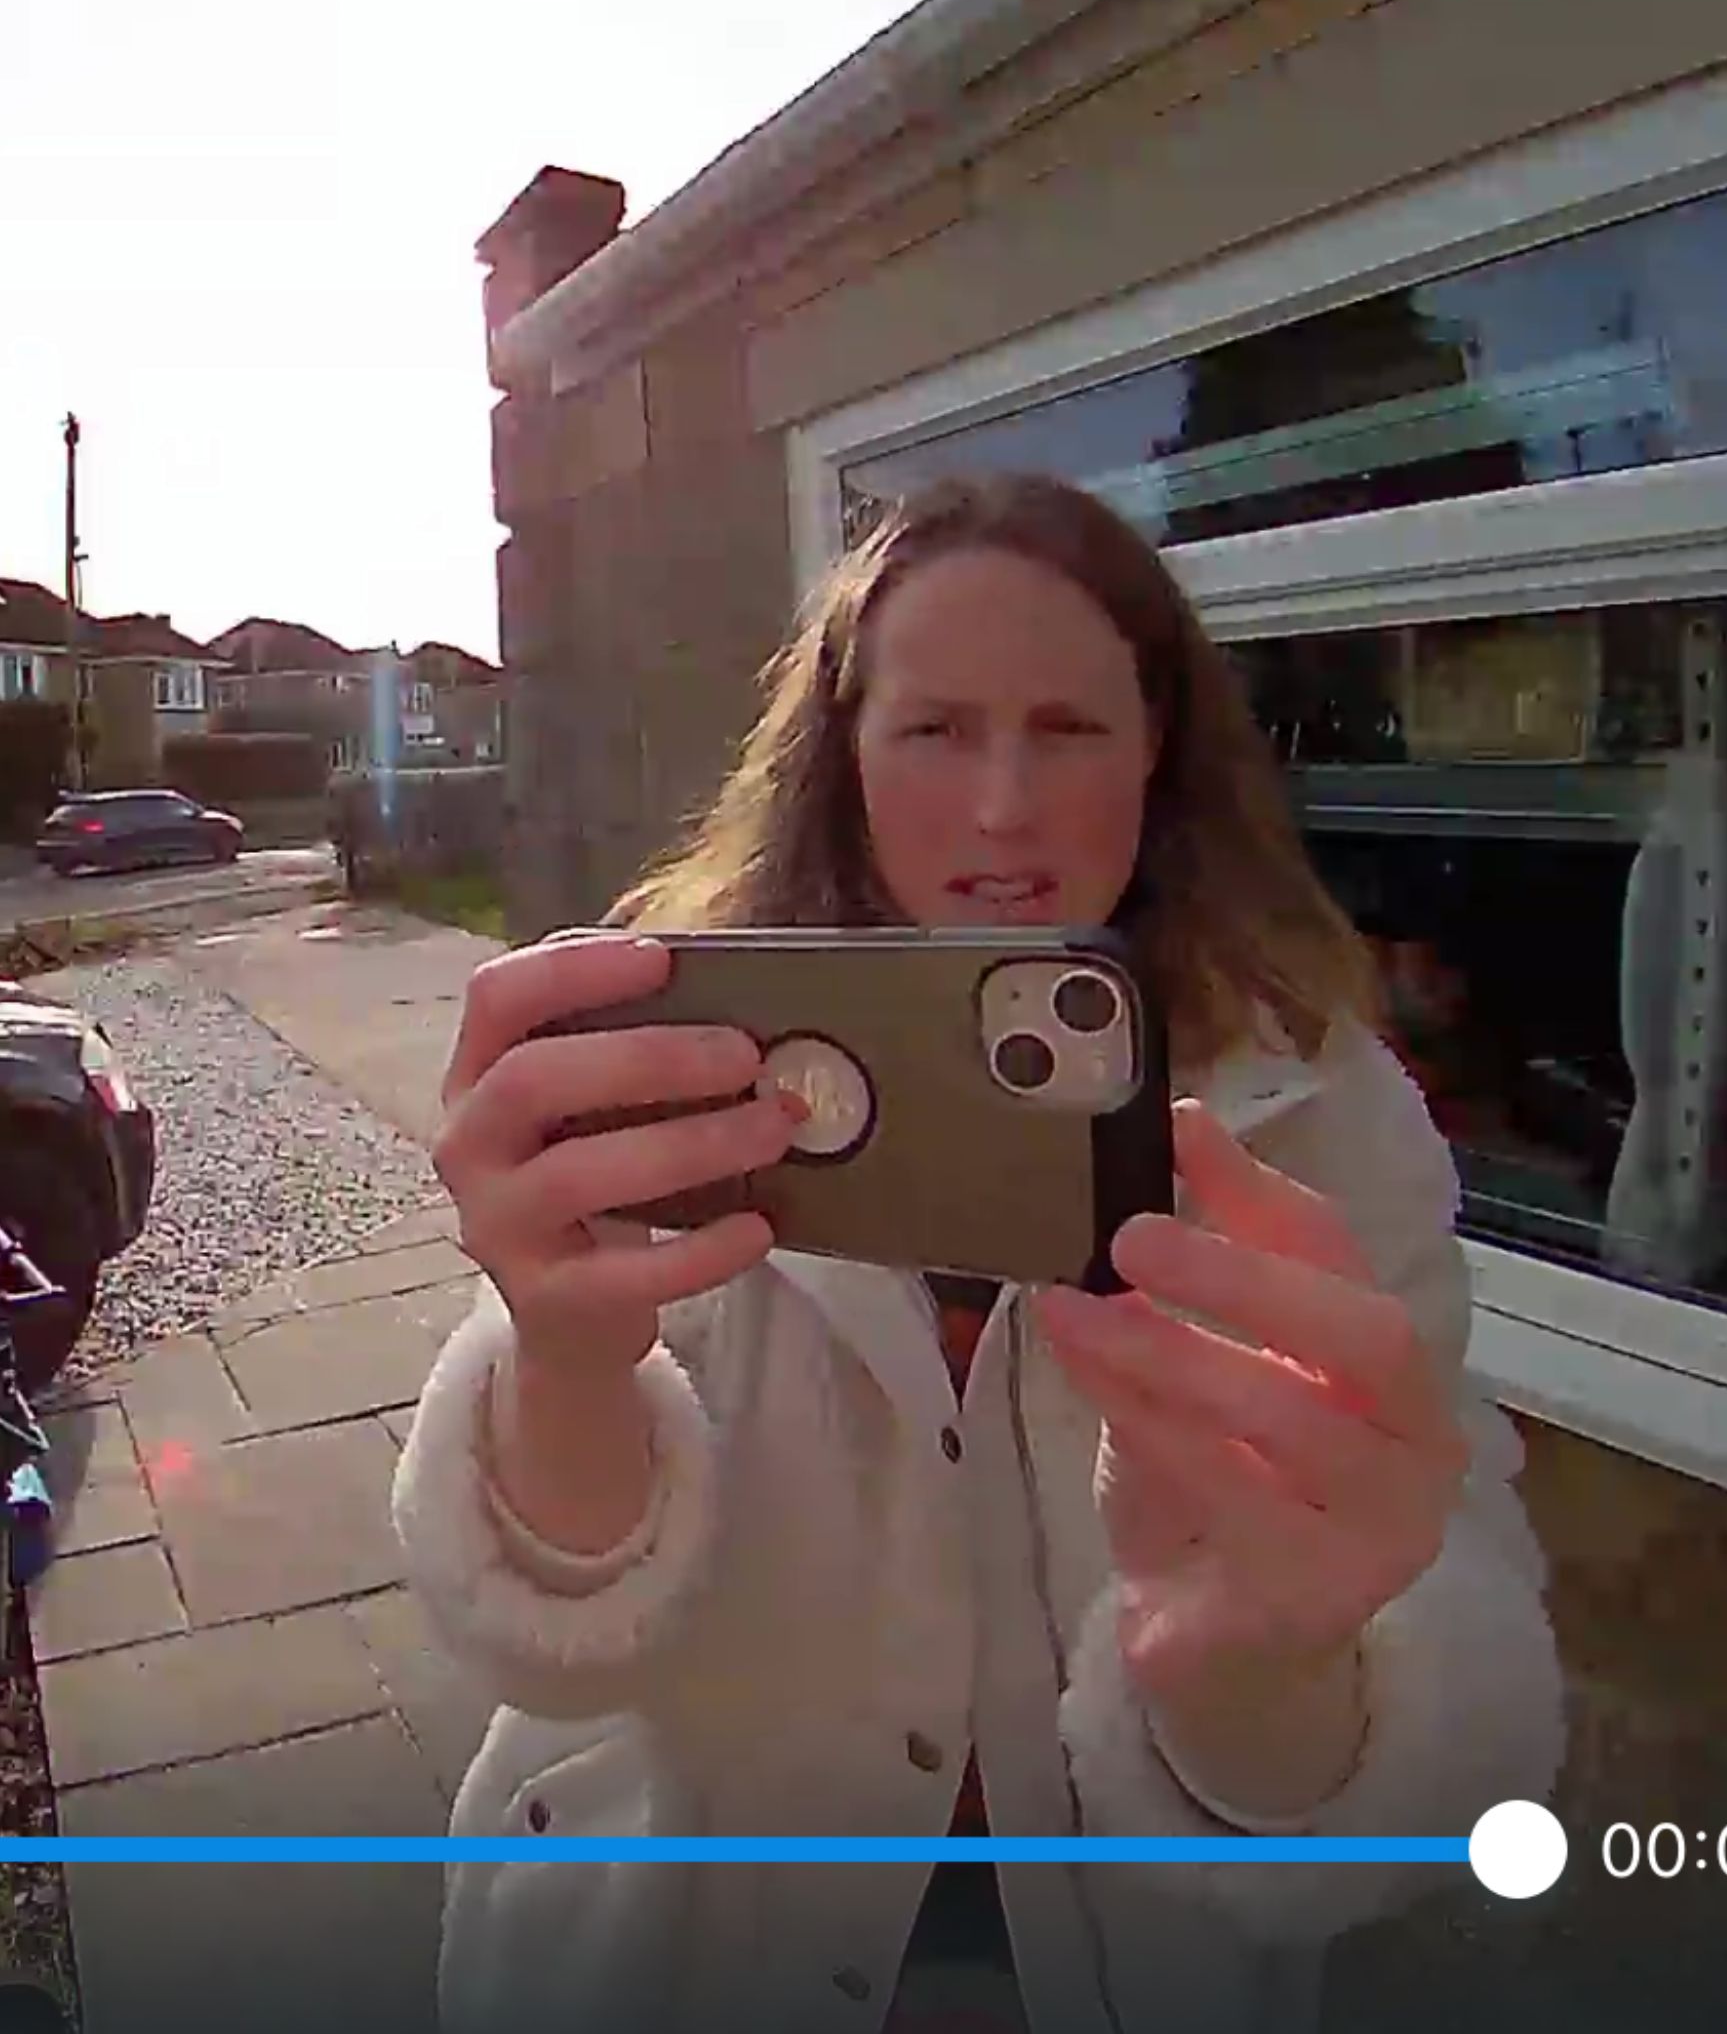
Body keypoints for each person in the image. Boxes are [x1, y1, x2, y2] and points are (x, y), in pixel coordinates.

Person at [392, 473, 1565, 2034]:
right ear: (846, 756)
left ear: (1157, 748)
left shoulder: (1323, 1110)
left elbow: (1448, 1604)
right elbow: (549, 1648)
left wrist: (1261, 1679)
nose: (1004, 809)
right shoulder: (689, 1055)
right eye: (936, 730)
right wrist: (562, 1360)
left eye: (1067, 729)